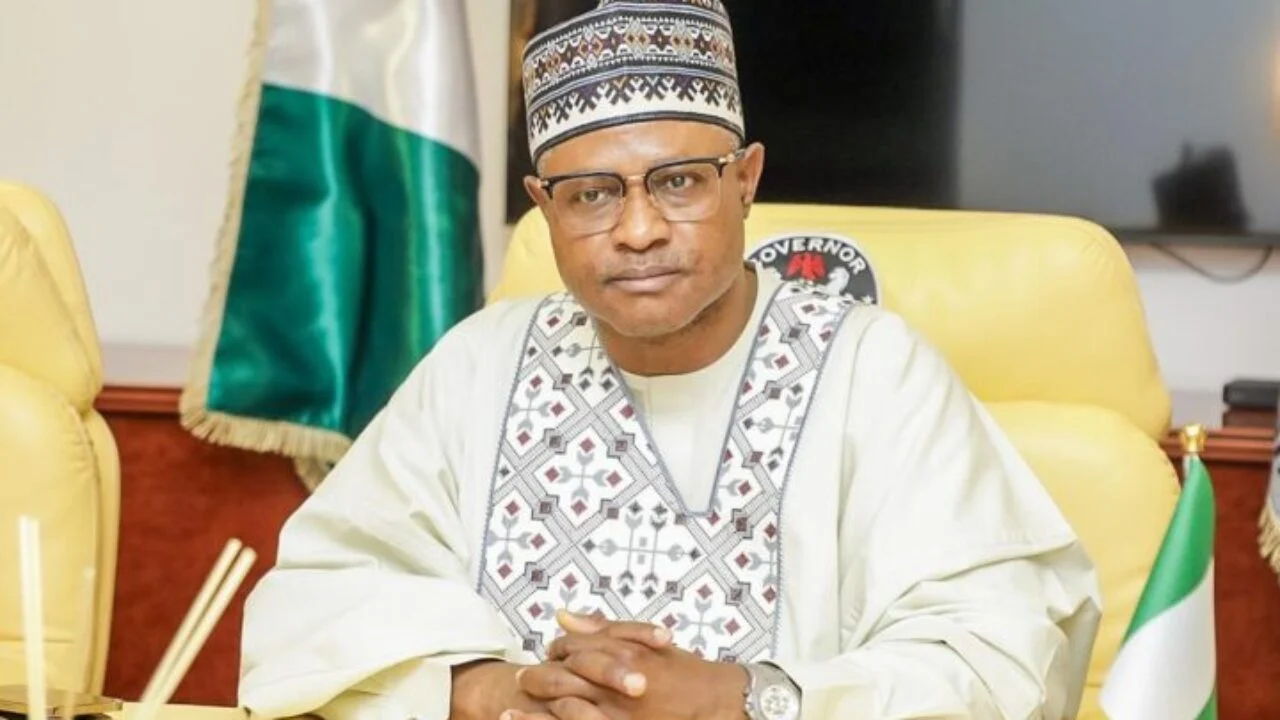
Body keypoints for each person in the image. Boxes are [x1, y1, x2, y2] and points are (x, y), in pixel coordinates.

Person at [238, 1, 1102, 718]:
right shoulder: (479, 362)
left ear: (745, 180)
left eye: (680, 181)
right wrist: (494, 690)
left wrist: (742, 699)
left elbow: (1000, 657)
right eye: (591, 195)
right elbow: (316, 602)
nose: (639, 229)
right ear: (542, 207)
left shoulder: (875, 372)